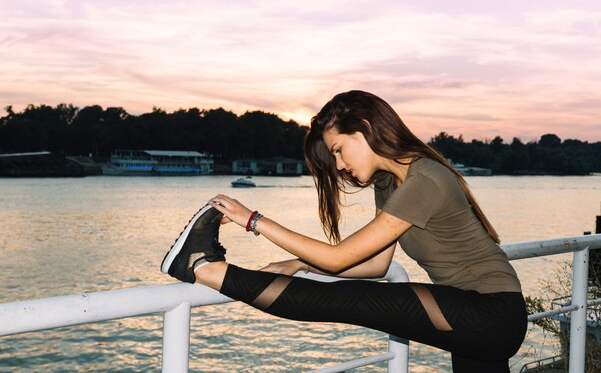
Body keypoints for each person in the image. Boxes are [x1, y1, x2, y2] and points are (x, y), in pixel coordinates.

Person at [161, 90, 527, 373]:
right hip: (470, 316)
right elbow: (374, 266)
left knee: (351, 300)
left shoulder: (425, 179)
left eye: (339, 150)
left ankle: (201, 266)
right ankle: (202, 265)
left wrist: (254, 220)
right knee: (356, 294)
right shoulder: (390, 184)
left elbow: (339, 259)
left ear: (365, 129)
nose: (340, 165)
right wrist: (298, 264)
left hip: (491, 312)